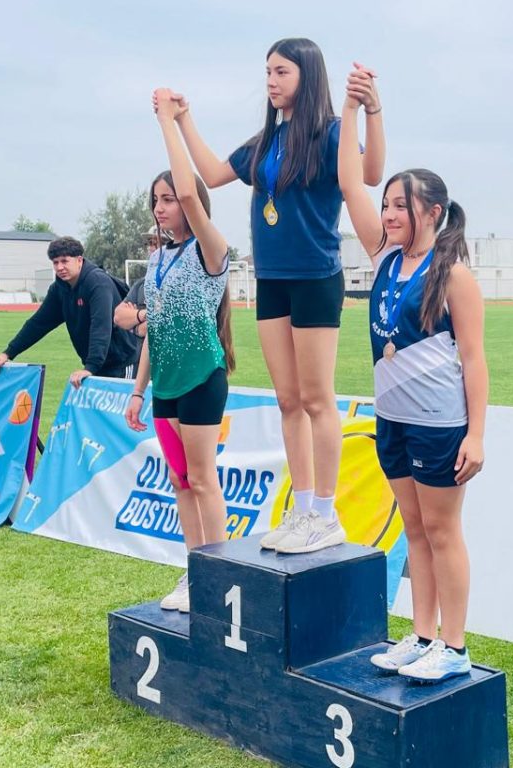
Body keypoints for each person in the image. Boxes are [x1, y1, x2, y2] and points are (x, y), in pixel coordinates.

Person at [160, 38, 385, 553]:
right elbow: (215, 174)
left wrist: (372, 110)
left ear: (306, 75)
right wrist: (183, 120)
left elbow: (369, 175)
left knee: (315, 398)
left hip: (315, 277)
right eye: (267, 72)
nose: (270, 81)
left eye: (281, 71)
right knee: (288, 400)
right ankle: (302, 506)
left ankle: (325, 513)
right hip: (272, 280)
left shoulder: (330, 134)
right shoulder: (268, 140)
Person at [337, 70, 487, 681]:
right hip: (392, 420)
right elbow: (351, 179)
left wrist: (476, 435)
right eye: (387, 205)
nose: (388, 212)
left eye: (400, 205)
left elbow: (474, 359)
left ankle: (453, 646)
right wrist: (357, 109)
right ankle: (422, 634)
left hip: (441, 425)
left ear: (433, 211)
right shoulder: (385, 258)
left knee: (443, 531)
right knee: (416, 531)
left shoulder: (454, 274)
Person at [124, 88, 236, 612]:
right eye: (156, 200)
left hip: (200, 379)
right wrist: (137, 390)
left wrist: (169, 122)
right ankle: (194, 572)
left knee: (202, 478)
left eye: (166, 199)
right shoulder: (156, 262)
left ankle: (217, 573)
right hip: (165, 386)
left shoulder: (211, 250)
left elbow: (193, 195)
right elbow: (156, 331)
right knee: (178, 479)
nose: (161, 207)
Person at [0, 236, 138, 386]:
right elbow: (38, 323)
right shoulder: (59, 289)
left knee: (126, 409)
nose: (60, 267)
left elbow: (100, 326)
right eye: (55, 262)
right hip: (95, 366)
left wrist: (91, 366)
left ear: (79, 260)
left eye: (65, 261)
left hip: (122, 362)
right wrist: (8, 353)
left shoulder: (97, 282)